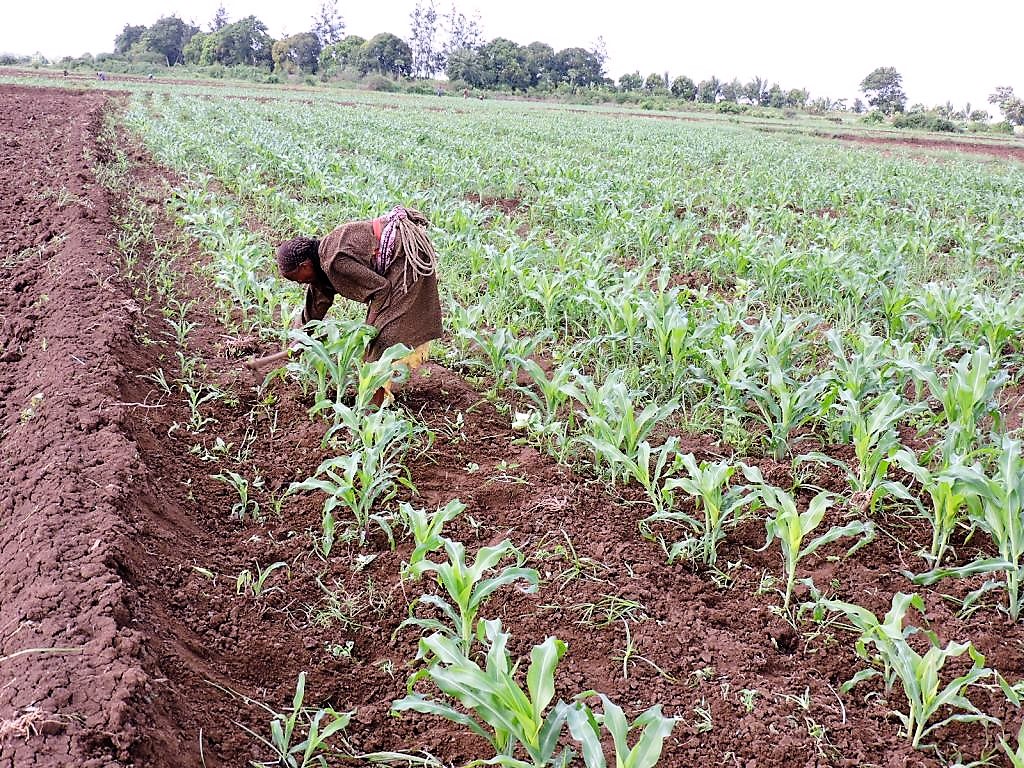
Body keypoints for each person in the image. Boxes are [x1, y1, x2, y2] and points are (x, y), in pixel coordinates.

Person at [246, 206, 442, 406]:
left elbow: (381, 289)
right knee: (375, 343)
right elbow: (315, 304)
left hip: (406, 259)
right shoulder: (320, 266)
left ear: (304, 265)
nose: (298, 283)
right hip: (397, 260)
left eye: (295, 278)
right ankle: (373, 402)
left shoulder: (335, 261)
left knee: (381, 344)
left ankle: (373, 410)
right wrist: (299, 339)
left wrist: (369, 328)